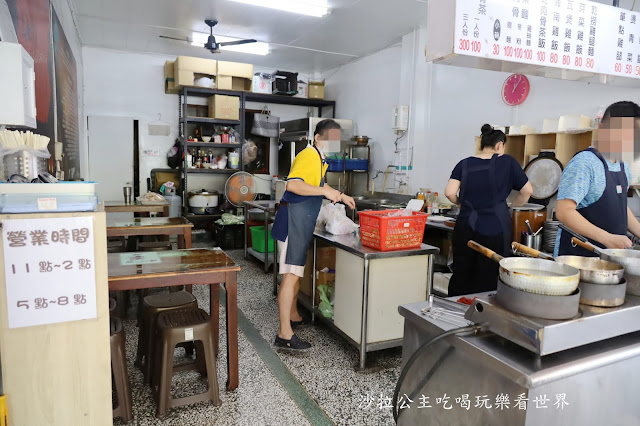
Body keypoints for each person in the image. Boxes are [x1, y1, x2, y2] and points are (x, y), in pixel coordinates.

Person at [271, 119, 356, 350]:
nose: (334, 143)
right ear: (318, 138)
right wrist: (326, 192)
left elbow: (317, 187)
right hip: (292, 223)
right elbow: (293, 185)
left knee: (296, 273)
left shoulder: (319, 159)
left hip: (298, 222)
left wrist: (337, 194)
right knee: (290, 275)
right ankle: (284, 334)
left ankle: (293, 315)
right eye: (331, 138)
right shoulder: (309, 155)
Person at [444, 124, 533, 296]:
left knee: (462, 273)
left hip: (466, 227)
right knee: (489, 277)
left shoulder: (464, 164)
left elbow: (449, 192)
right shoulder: (507, 162)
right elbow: (527, 190)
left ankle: (455, 314)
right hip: (495, 228)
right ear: (500, 145)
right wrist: (514, 206)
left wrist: (462, 204)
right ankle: (483, 317)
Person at [555, 101, 640, 256]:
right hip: (579, 259)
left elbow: (620, 208)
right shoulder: (585, 163)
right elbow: (564, 211)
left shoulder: (623, 166)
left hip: (611, 261)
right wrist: (607, 238)